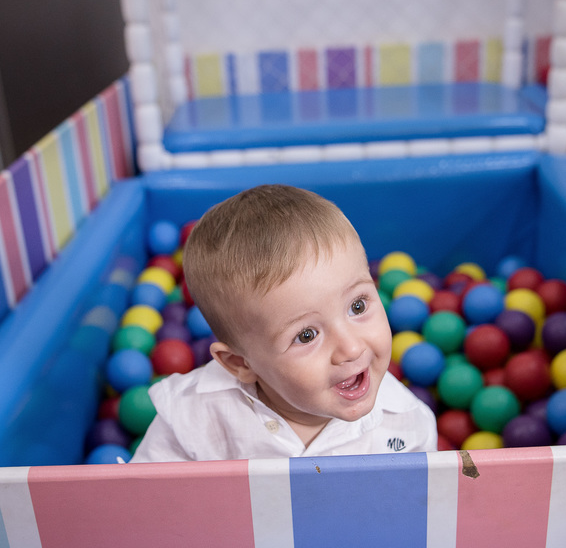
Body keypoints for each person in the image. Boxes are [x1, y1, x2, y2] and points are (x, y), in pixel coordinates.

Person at [130, 184, 437, 462]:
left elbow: (417, 513)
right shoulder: (191, 419)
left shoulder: (406, 425)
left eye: (357, 306)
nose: (351, 347)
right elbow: (144, 508)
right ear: (239, 362)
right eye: (306, 335)